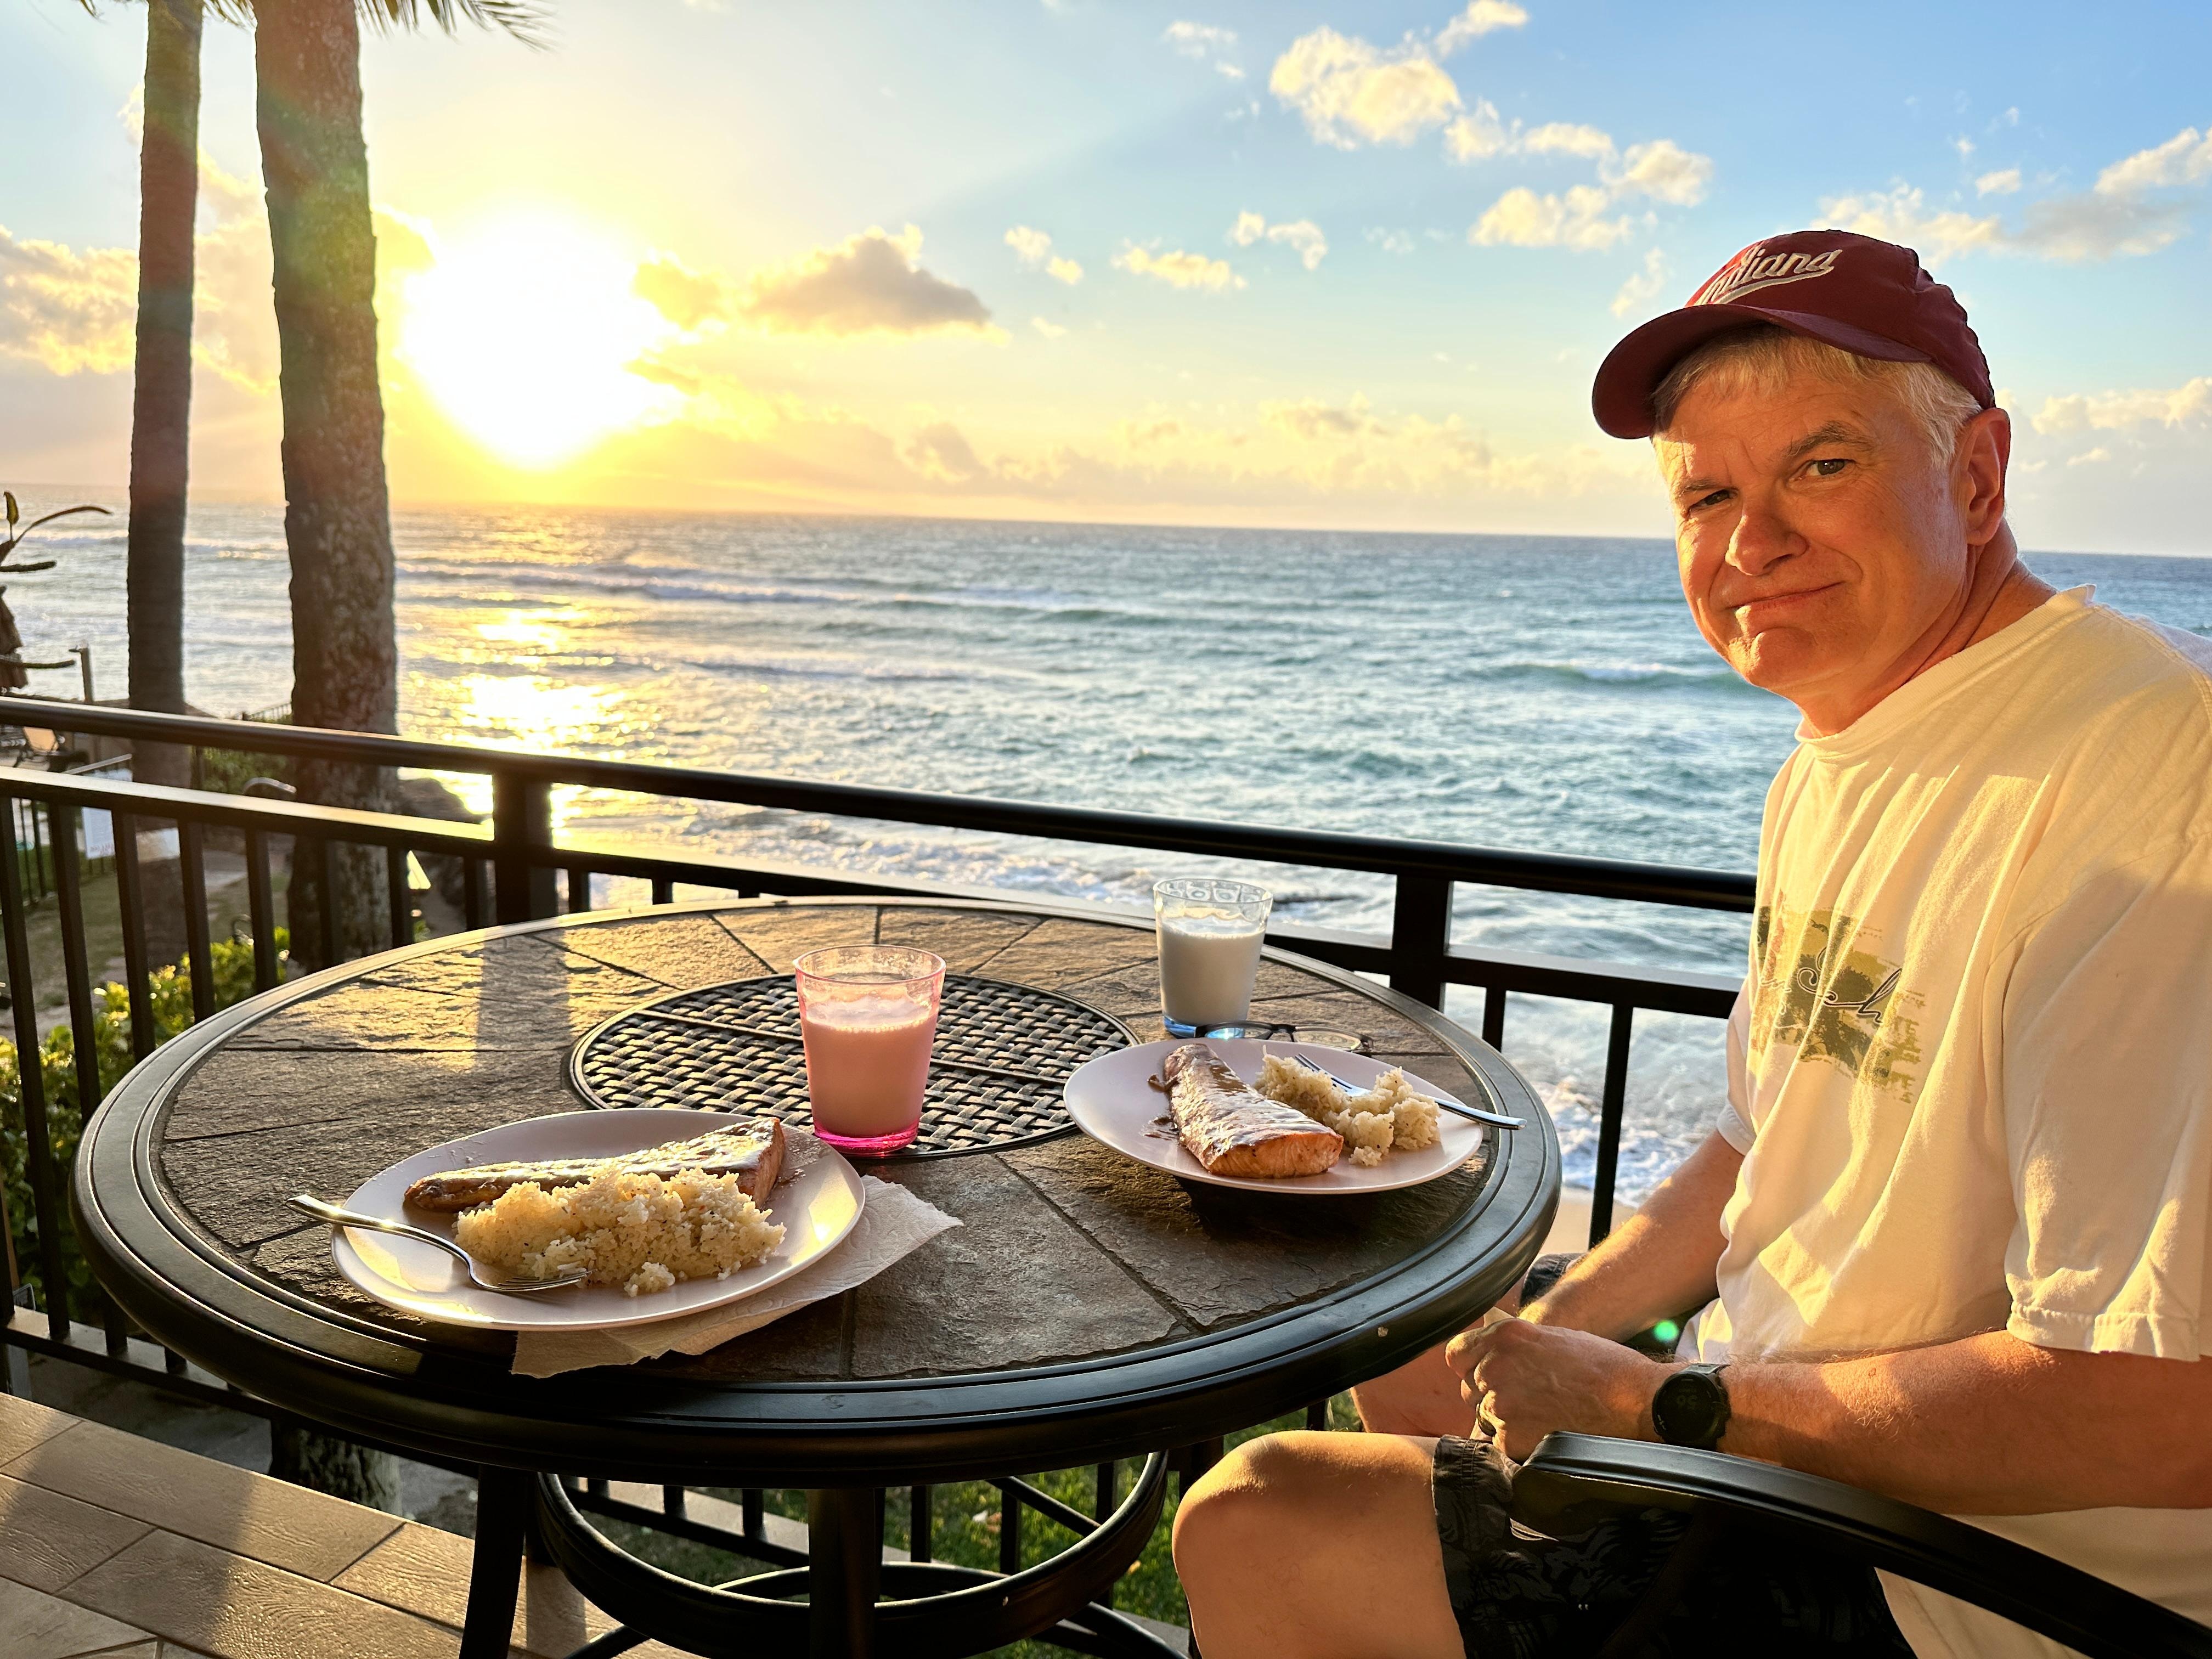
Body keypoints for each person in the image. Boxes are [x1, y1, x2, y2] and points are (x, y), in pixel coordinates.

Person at [1170, 229, 2212, 1659]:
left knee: (1260, 1518)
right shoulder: (1837, 755)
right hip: (1792, 1459)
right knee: (1402, 1384)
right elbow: (1754, 1149)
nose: (1749, 544)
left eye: (1822, 467)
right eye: (1707, 493)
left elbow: (2162, 1410)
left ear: (1978, 476)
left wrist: (1663, 1405)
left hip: (1975, 1587)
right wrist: (1526, 1347)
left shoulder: (2153, 773)